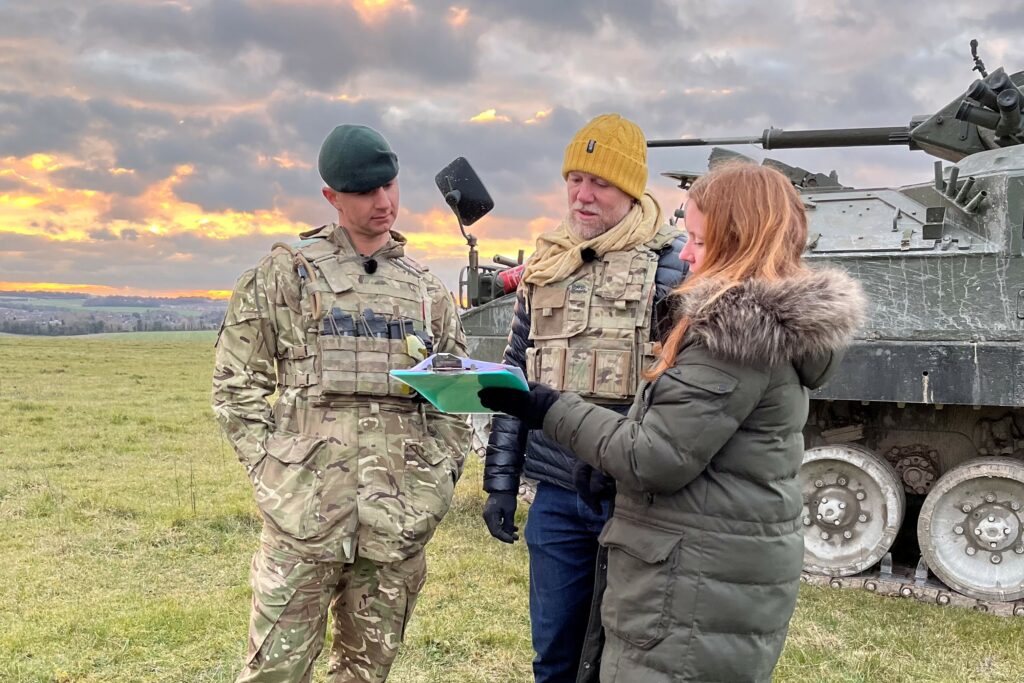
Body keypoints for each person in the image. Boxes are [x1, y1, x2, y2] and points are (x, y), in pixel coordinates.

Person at [479, 162, 866, 682]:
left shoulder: (734, 338)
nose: (685, 255)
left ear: (740, 244)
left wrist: (546, 406)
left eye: (700, 243)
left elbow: (652, 458)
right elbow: (687, 433)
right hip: (706, 570)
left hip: (691, 588)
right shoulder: (760, 331)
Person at [212, 124, 472, 683]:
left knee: (364, 675)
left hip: (395, 520)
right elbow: (236, 384)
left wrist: (435, 481)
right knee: (274, 673)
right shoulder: (283, 276)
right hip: (302, 520)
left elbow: (454, 398)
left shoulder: (427, 292)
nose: (384, 202)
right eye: (364, 192)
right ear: (332, 197)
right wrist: (272, 469)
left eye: (390, 186)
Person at [481, 113, 686, 682]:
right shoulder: (545, 266)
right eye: (574, 178)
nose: (582, 194)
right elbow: (513, 377)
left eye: (599, 181)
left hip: (633, 497)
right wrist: (500, 481)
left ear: (631, 188)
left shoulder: (670, 268)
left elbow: (678, 387)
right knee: (554, 655)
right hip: (554, 497)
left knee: (618, 658)